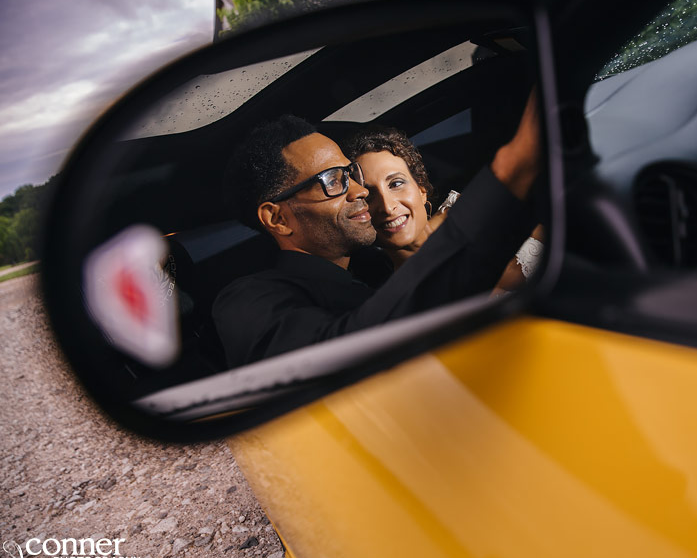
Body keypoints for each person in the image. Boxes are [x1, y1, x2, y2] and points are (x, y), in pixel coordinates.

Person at [213, 94, 540, 367]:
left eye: (350, 173)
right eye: (333, 181)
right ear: (278, 219)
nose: (360, 191)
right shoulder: (246, 300)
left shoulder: (373, 271)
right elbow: (345, 355)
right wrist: (509, 174)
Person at [344, 125, 545, 292]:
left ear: (421, 189)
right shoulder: (397, 299)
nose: (387, 207)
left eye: (396, 184)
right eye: (369, 195)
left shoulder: (477, 212)